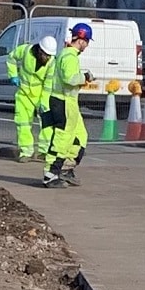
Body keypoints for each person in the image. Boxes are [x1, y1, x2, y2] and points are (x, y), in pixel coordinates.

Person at [41, 22, 95, 186]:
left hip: (67, 102)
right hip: (64, 102)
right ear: (82, 40)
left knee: (80, 136)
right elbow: (70, 78)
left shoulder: (66, 55)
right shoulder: (70, 56)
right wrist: (85, 77)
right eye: (87, 42)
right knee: (62, 138)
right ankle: (51, 174)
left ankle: (66, 168)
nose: (86, 45)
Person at [9, 35, 55, 163]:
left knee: (46, 124)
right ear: (40, 50)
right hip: (24, 94)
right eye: (46, 55)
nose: (47, 58)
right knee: (23, 123)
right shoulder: (25, 51)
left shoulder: (51, 62)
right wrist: (13, 75)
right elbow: (11, 57)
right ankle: (26, 152)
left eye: (49, 56)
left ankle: (45, 151)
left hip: (40, 95)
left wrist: (44, 101)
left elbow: (48, 83)